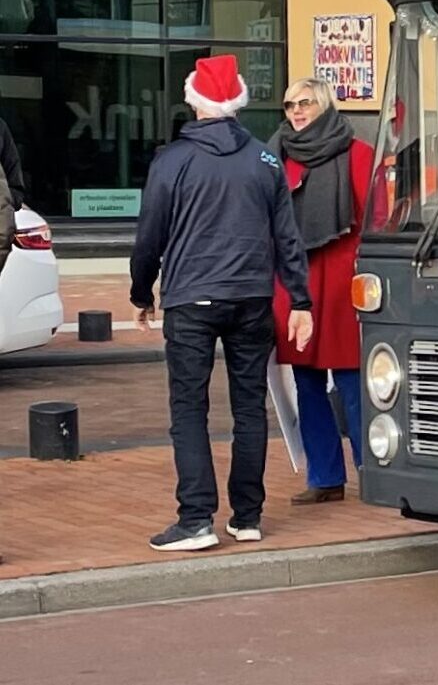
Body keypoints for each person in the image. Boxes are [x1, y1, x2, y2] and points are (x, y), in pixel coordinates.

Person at [130, 54, 313, 553]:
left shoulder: (172, 161)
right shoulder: (265, 160)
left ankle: (196, 519)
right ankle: (247, 516)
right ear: (236, 102)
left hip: (192, 295)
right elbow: (287, 237)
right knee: (249, 406)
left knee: (189, 408)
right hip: (252, 296)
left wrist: (141, 292)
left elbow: (150, 236)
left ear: (193, 100)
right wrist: (300, 300)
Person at [272, 76, 375, 502]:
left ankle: (374, 472)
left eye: (305, 103)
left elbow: (374, 219)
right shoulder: (275, 155)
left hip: (343, 282)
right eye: (290, 104)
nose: (296, 111)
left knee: (354, 382)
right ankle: (325, 477)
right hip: (295, 284)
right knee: (306, 383)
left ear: (325, 105)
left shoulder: (358, 153)